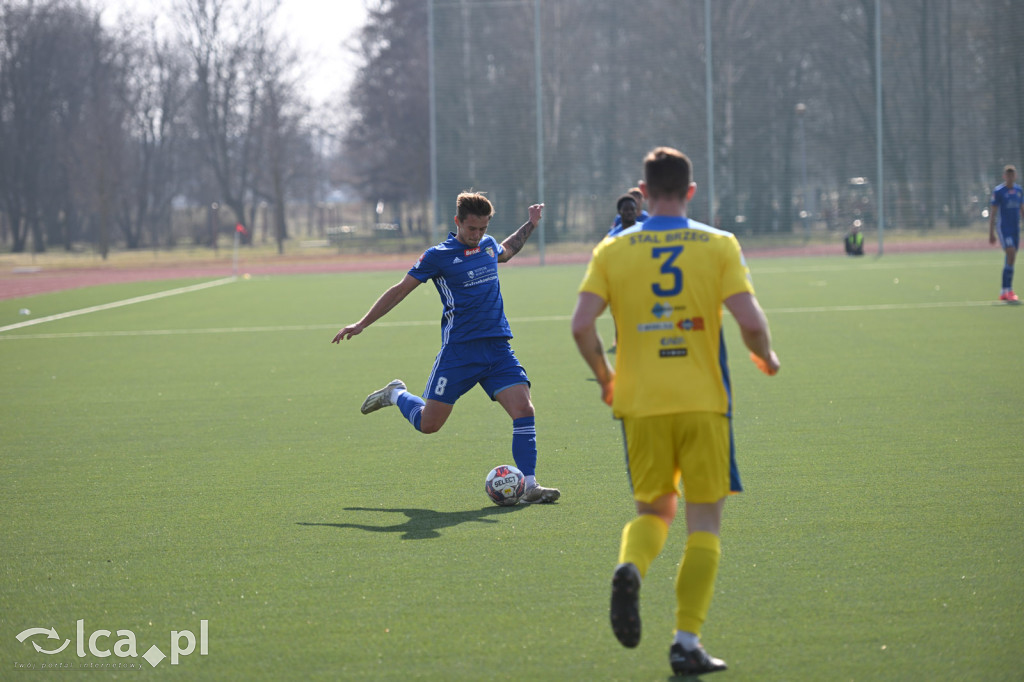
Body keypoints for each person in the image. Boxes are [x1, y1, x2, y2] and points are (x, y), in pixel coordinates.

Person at [571, 147, 780, 677]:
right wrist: (766, 357)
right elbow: (750, 322)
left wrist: (606, 379)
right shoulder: (718, 244)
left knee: (654, 514)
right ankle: (686, 641)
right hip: (704, 404)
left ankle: (631, 565)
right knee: (703, 521)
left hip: (639, 405)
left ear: (642, 191)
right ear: (690, 191)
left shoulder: (613, 249)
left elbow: (580, 326)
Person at [332, 192, 560, 504]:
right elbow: (400, 290)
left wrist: (531, 224)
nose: (477, 235)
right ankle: (396, 393)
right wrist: (361, 323)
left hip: (497, 348)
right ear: (457, 222)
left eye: (482, 229)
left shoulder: (488, 245)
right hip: (459, 352)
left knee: (524, 409)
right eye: (471, 229)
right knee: (429, 425)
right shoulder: (437, 256)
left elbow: (507, 250)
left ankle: (530, 485)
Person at [988, 164, 1023, 302]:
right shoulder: (999, 191)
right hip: (1004, 229)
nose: (1010, 178)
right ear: (1004, 176)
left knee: (1011, 259)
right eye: (1007, 175)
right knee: (1011, 253)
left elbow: (1022, 210)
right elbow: (993, 213)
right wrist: (991, 232)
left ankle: (1004, 290)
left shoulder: (1019, 191)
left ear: (1015, 176)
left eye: (1012, 175)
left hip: (1015, 229)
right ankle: (1008, 290)